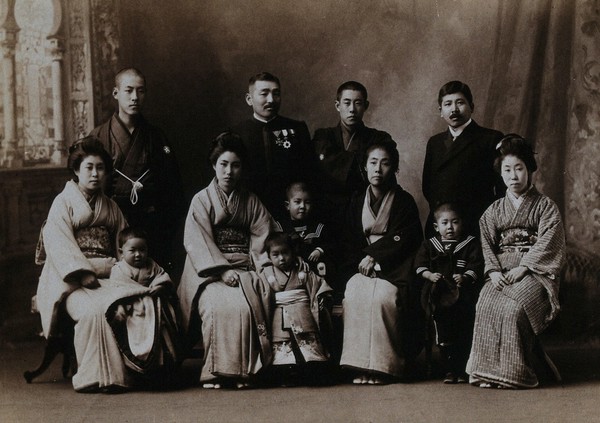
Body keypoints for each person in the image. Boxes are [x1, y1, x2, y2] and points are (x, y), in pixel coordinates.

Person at [35, 137, 178, 393]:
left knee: (140, 301)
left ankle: (141, 369)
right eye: (88, 167)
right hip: (72, 280)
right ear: (76, 170)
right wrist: (84, 272)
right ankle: (96, 376)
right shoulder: (63, 204)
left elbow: (124, 246)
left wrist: (125, 272)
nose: (94, 174)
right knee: (95, 311)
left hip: (109, 274)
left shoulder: (110, 207)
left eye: (100, 168)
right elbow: (59, 246)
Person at [177, 132, 277, 389]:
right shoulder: (201, 200)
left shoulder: (251, 201)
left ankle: (243, 372)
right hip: (209, 271)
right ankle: (214, 371)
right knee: (217, 307)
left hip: (244, 266)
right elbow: (197, 242)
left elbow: (262, 235)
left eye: (235, 165)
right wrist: (221, 271)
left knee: (247, 306)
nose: (229, 171)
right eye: (223, 164)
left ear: (242, 168)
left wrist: (259, 266)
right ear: (214, 165)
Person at [466, 134, 566, 389]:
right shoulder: (494, 210)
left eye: (519, 169)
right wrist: (492, 272)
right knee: (485, 303)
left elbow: (549, 242)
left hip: (533, 273)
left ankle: (516, 374)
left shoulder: (546, 207)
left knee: (513, 310)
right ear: (500, 174)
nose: (513, 176)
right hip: (501, 271)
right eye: (507, 170)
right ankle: (487, 373)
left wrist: (524, 267)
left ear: (529, 170)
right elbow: (487, 243)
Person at [339, 141, 423, 384]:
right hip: (361, 265)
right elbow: (348, 240)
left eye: (385, 163)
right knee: (354, 293)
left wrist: (376, 256)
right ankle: (359, 366)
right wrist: (363, 260)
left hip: (394, 267)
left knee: (382, 299)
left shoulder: (404, 201)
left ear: (394, 168)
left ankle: (385, 367)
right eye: (373, 163)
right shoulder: (356, 200)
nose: (378, 169)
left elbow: (407, 238)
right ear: (364, 168)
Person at [90, 67, 186, 271]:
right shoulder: (98, 137)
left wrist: (163, 225)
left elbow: (173, 189)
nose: (135, 97)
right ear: (116, 93)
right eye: (129, 90)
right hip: (111, 224)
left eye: (141, 91)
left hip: (150, 225)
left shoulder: (156, 137)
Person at [422, 80, 504, 237]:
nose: (454, 109)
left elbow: (501, 189)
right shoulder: (435, 142)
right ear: (441, 110)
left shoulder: (490, 139)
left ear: (471, 107)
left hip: (476, 225)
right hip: (443, 226)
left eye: (460, 103)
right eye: (448, 104)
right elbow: (428, 187)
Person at [232, 72, 319, 220]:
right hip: (249, 212)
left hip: (290, 213)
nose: (271, 100)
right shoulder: (236, 133)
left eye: (276, 94)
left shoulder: (297, 129)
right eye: (264, 94)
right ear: (249, 99)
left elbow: (309, 174)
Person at [414, 202, 483, 384]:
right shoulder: (430, 245)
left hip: (462, 297)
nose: (450, 227)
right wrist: (429, 274)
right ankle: (449, 369)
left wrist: (465, 277)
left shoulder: (470, 244)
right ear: (436, 226)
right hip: (438, 296)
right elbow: (419, 265)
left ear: (462, 223)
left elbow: (476, 264)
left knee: (464, 331)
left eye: (455, 222)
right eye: (445, 223)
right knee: (444, 333)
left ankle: (462, 369)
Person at [313, 81, 396, 223]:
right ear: (337, 106)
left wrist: (337, 162)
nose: (352, 109)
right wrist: (359, 161)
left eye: (358, 103)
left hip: (363, 212)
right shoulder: (323, 137)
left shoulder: (380, 138)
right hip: (327, 213)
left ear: (366, 106)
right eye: (346, 103)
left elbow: (385, 176)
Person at [260, 232, 333, 386]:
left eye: (285, 253)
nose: (281, 258)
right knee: (283, 348)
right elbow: (262, 295)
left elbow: (317, 286)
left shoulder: (302, 270)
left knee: (308, 348)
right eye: (276, 254)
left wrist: (321, 298)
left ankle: (312, 372)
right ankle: (284, 374)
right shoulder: (266, 274)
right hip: (279, 314)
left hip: (302, 312)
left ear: (293, 252)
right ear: (269, 256)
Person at [108, 227, 181, 360]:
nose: (138, 254)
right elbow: (116, 291)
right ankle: (136, 361)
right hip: (132, 309)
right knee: (132, 333)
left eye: (142, 250)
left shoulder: (151, 265)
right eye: (132, 250)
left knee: (162, 328)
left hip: (154, 307)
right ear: (121, 252)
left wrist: (160, 286)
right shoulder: (119, 269)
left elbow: (163, 277)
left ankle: (161, 360)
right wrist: (120, 307)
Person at [275, 181, 334, 278]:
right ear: (287, 205)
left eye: (307, 202)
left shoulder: (318, 227)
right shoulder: (280, 227)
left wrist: (319, 250)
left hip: (314, 270)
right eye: (297, 202)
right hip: (290, 270)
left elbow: (330, 243)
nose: (302, 206)